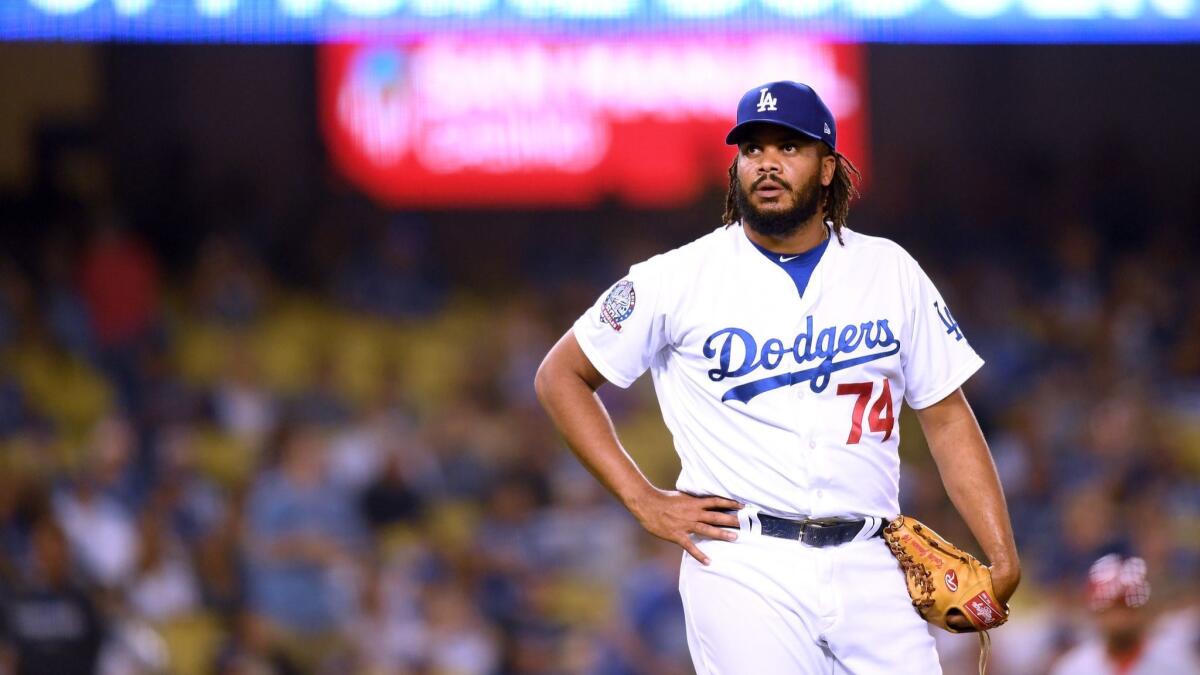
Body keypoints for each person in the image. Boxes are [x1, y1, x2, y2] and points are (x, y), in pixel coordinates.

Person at [534, 81, 1020, 673]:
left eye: (789, 147)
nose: (766, 162)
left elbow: (946, 417)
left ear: (826, 168)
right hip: (743, 561)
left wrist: (1001, 552)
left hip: (874, 560)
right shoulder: (676, 277)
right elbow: (560, 375)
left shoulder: (888, 269)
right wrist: (642, 499)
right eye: (752, 148)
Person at [1050, 554, 1200, 675]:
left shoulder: (1177, 664)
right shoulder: (1073, 668)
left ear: (1145, 610)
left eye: (1127, 607)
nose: (1120, 619)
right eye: (1112, 607)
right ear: (1096, 612)